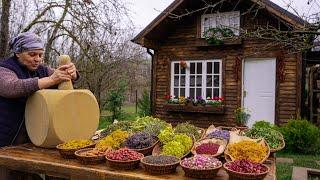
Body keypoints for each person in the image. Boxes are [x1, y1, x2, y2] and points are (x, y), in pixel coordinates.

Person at [0, 32, 79, 148]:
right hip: (6, 139)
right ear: (18, 53)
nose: (37, 59)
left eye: (40, 55)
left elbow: (61, 78)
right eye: (32, 55)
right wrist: (51, 80)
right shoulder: (5, 69)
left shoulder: (42, 70)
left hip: (31, 140)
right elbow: (11, 87)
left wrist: (72, 74)